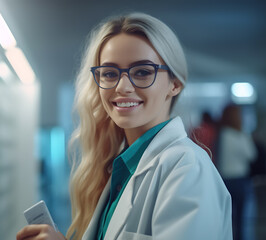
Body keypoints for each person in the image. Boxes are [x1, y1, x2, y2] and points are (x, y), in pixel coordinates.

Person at [17, 12, 232, 240]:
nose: (122, 87)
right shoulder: (122, 167)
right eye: (109, 73)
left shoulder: (187, 168)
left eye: (142, 72)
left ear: (175, 84)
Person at [216, 104, 256, 240]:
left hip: (223, 179)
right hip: (239, 179)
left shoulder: (220, 134)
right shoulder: (240, 135)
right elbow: (252, 155)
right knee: (240, 218)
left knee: (226, 217)